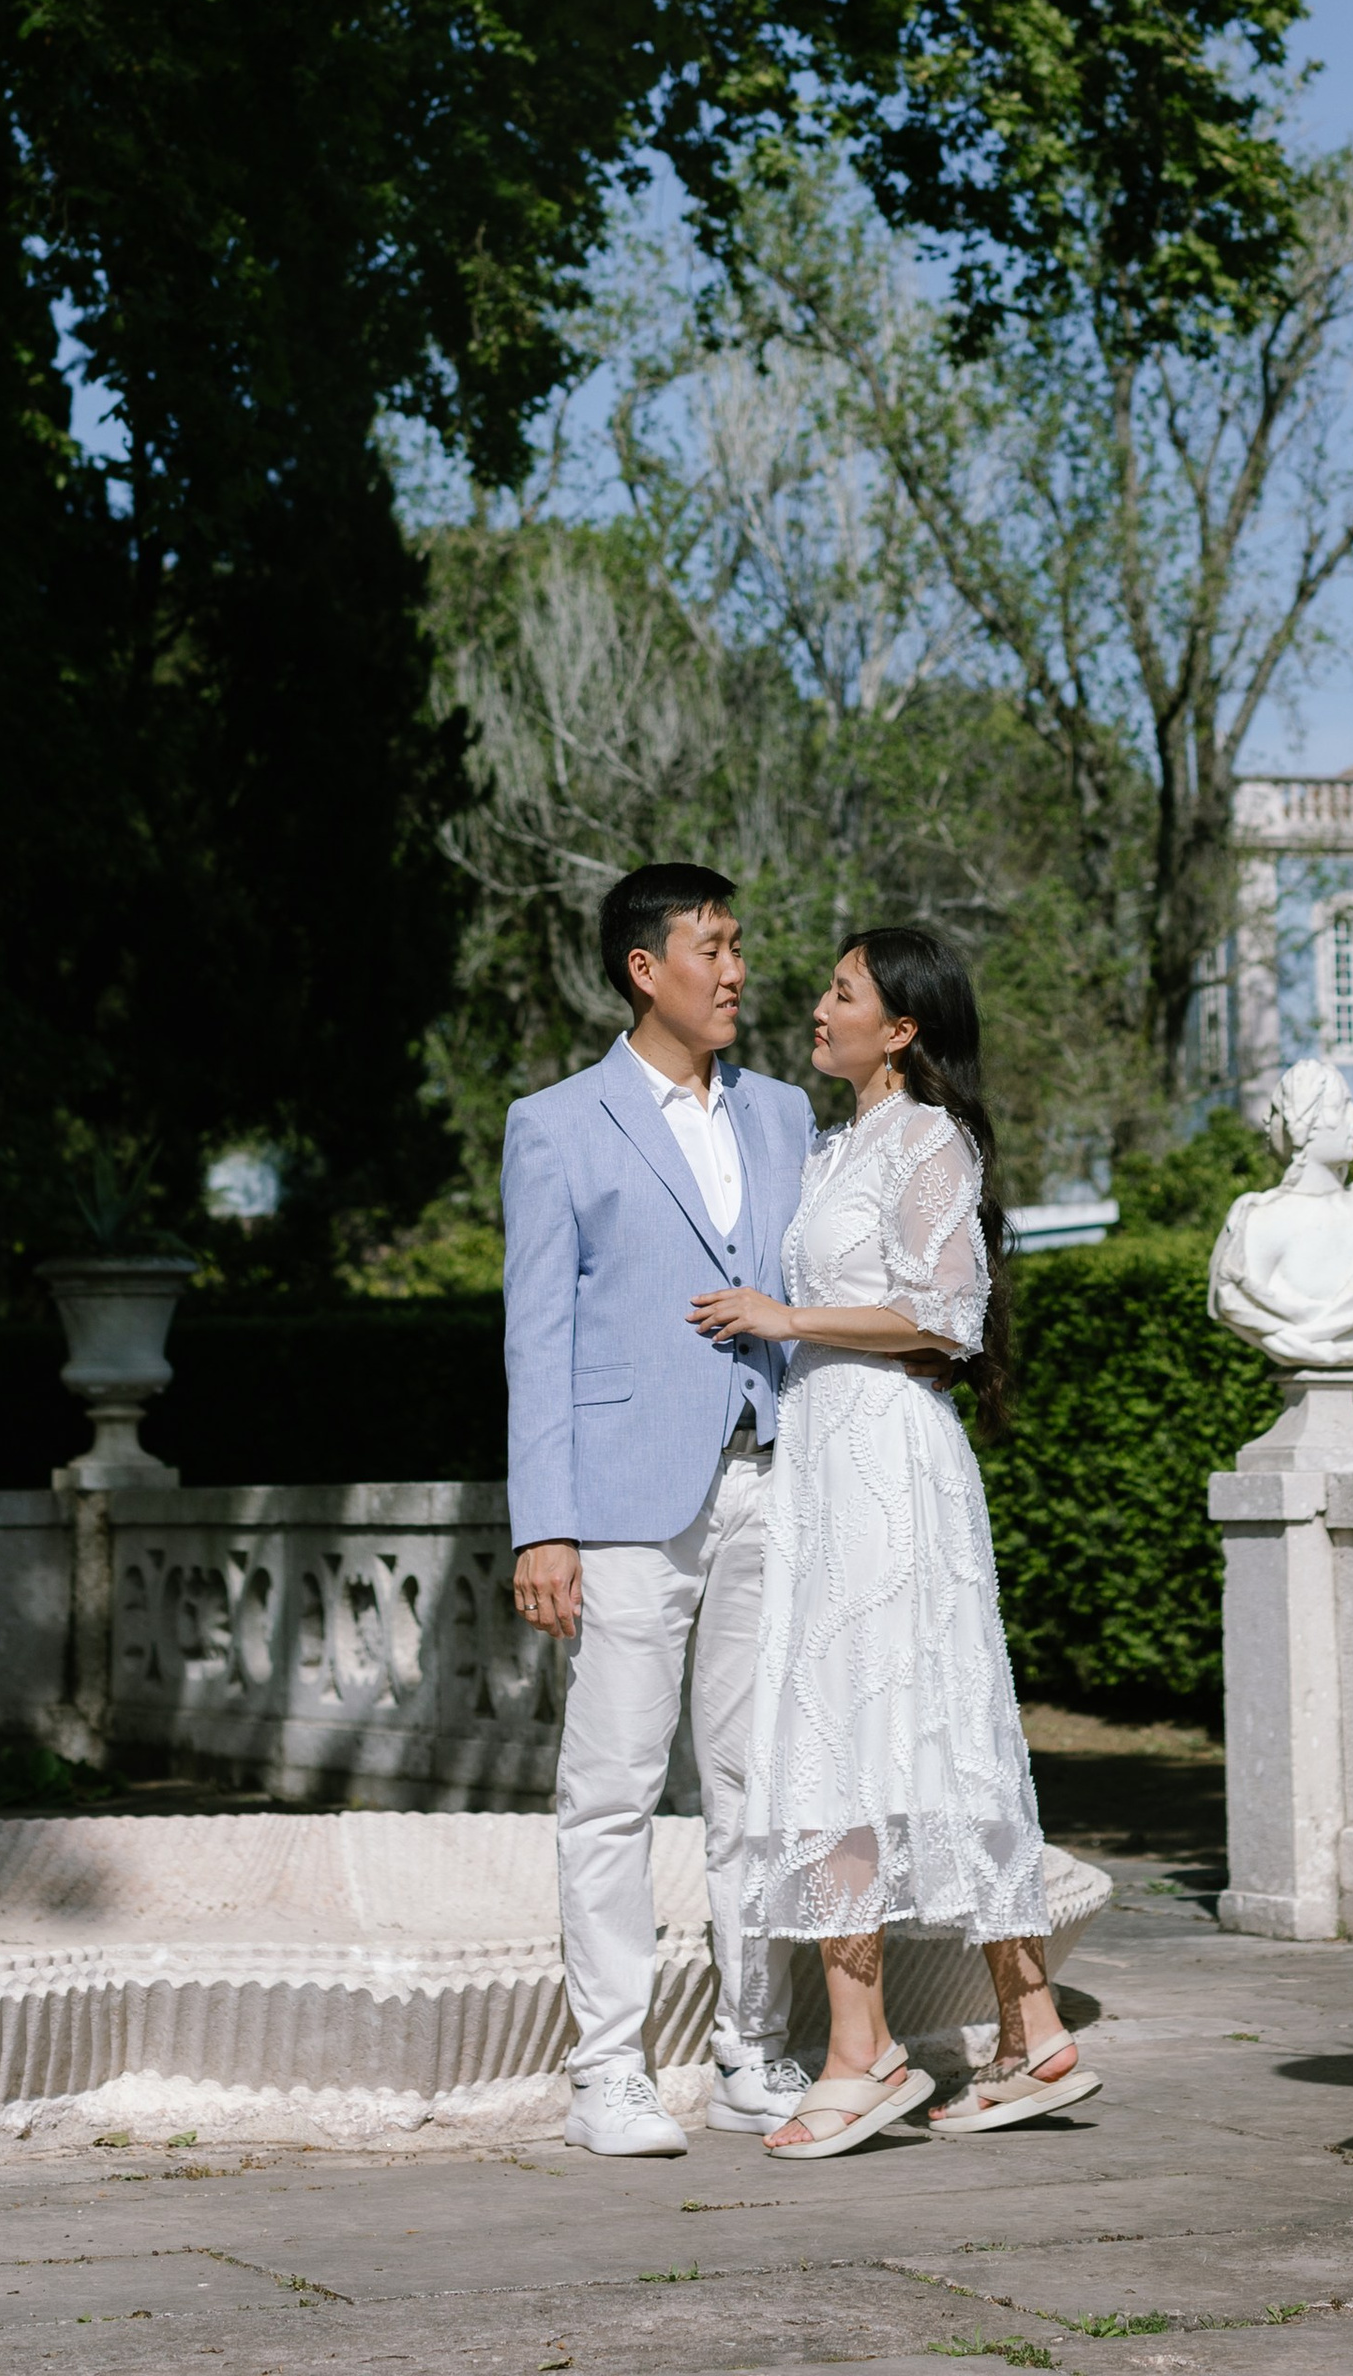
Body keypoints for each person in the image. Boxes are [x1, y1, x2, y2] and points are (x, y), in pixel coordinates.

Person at [688, 924, 1102, 2156]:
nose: (817, 1007)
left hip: (883, 1454)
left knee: (866, 1724)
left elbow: (947, 1317)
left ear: (902, 1027)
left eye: (842, 992)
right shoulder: (840, 1145)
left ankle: (863, 2054)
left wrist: (783, 1315)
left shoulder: (925, 1138)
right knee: (892, 1722)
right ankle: (1030, 2027)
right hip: (827, 1450)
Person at [502, 863, 820, 2159]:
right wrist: (543, 1524)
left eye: (739, 944)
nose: (737, 969)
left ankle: (755, 2048)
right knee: (615, 1790)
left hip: (769, 1478)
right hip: (625, 1504)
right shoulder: (556, 1124)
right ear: (647, 968)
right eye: (713, 947)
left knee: (754, 1781)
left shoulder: (789, 1115)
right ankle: (607, 2074)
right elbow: (538, 1335)